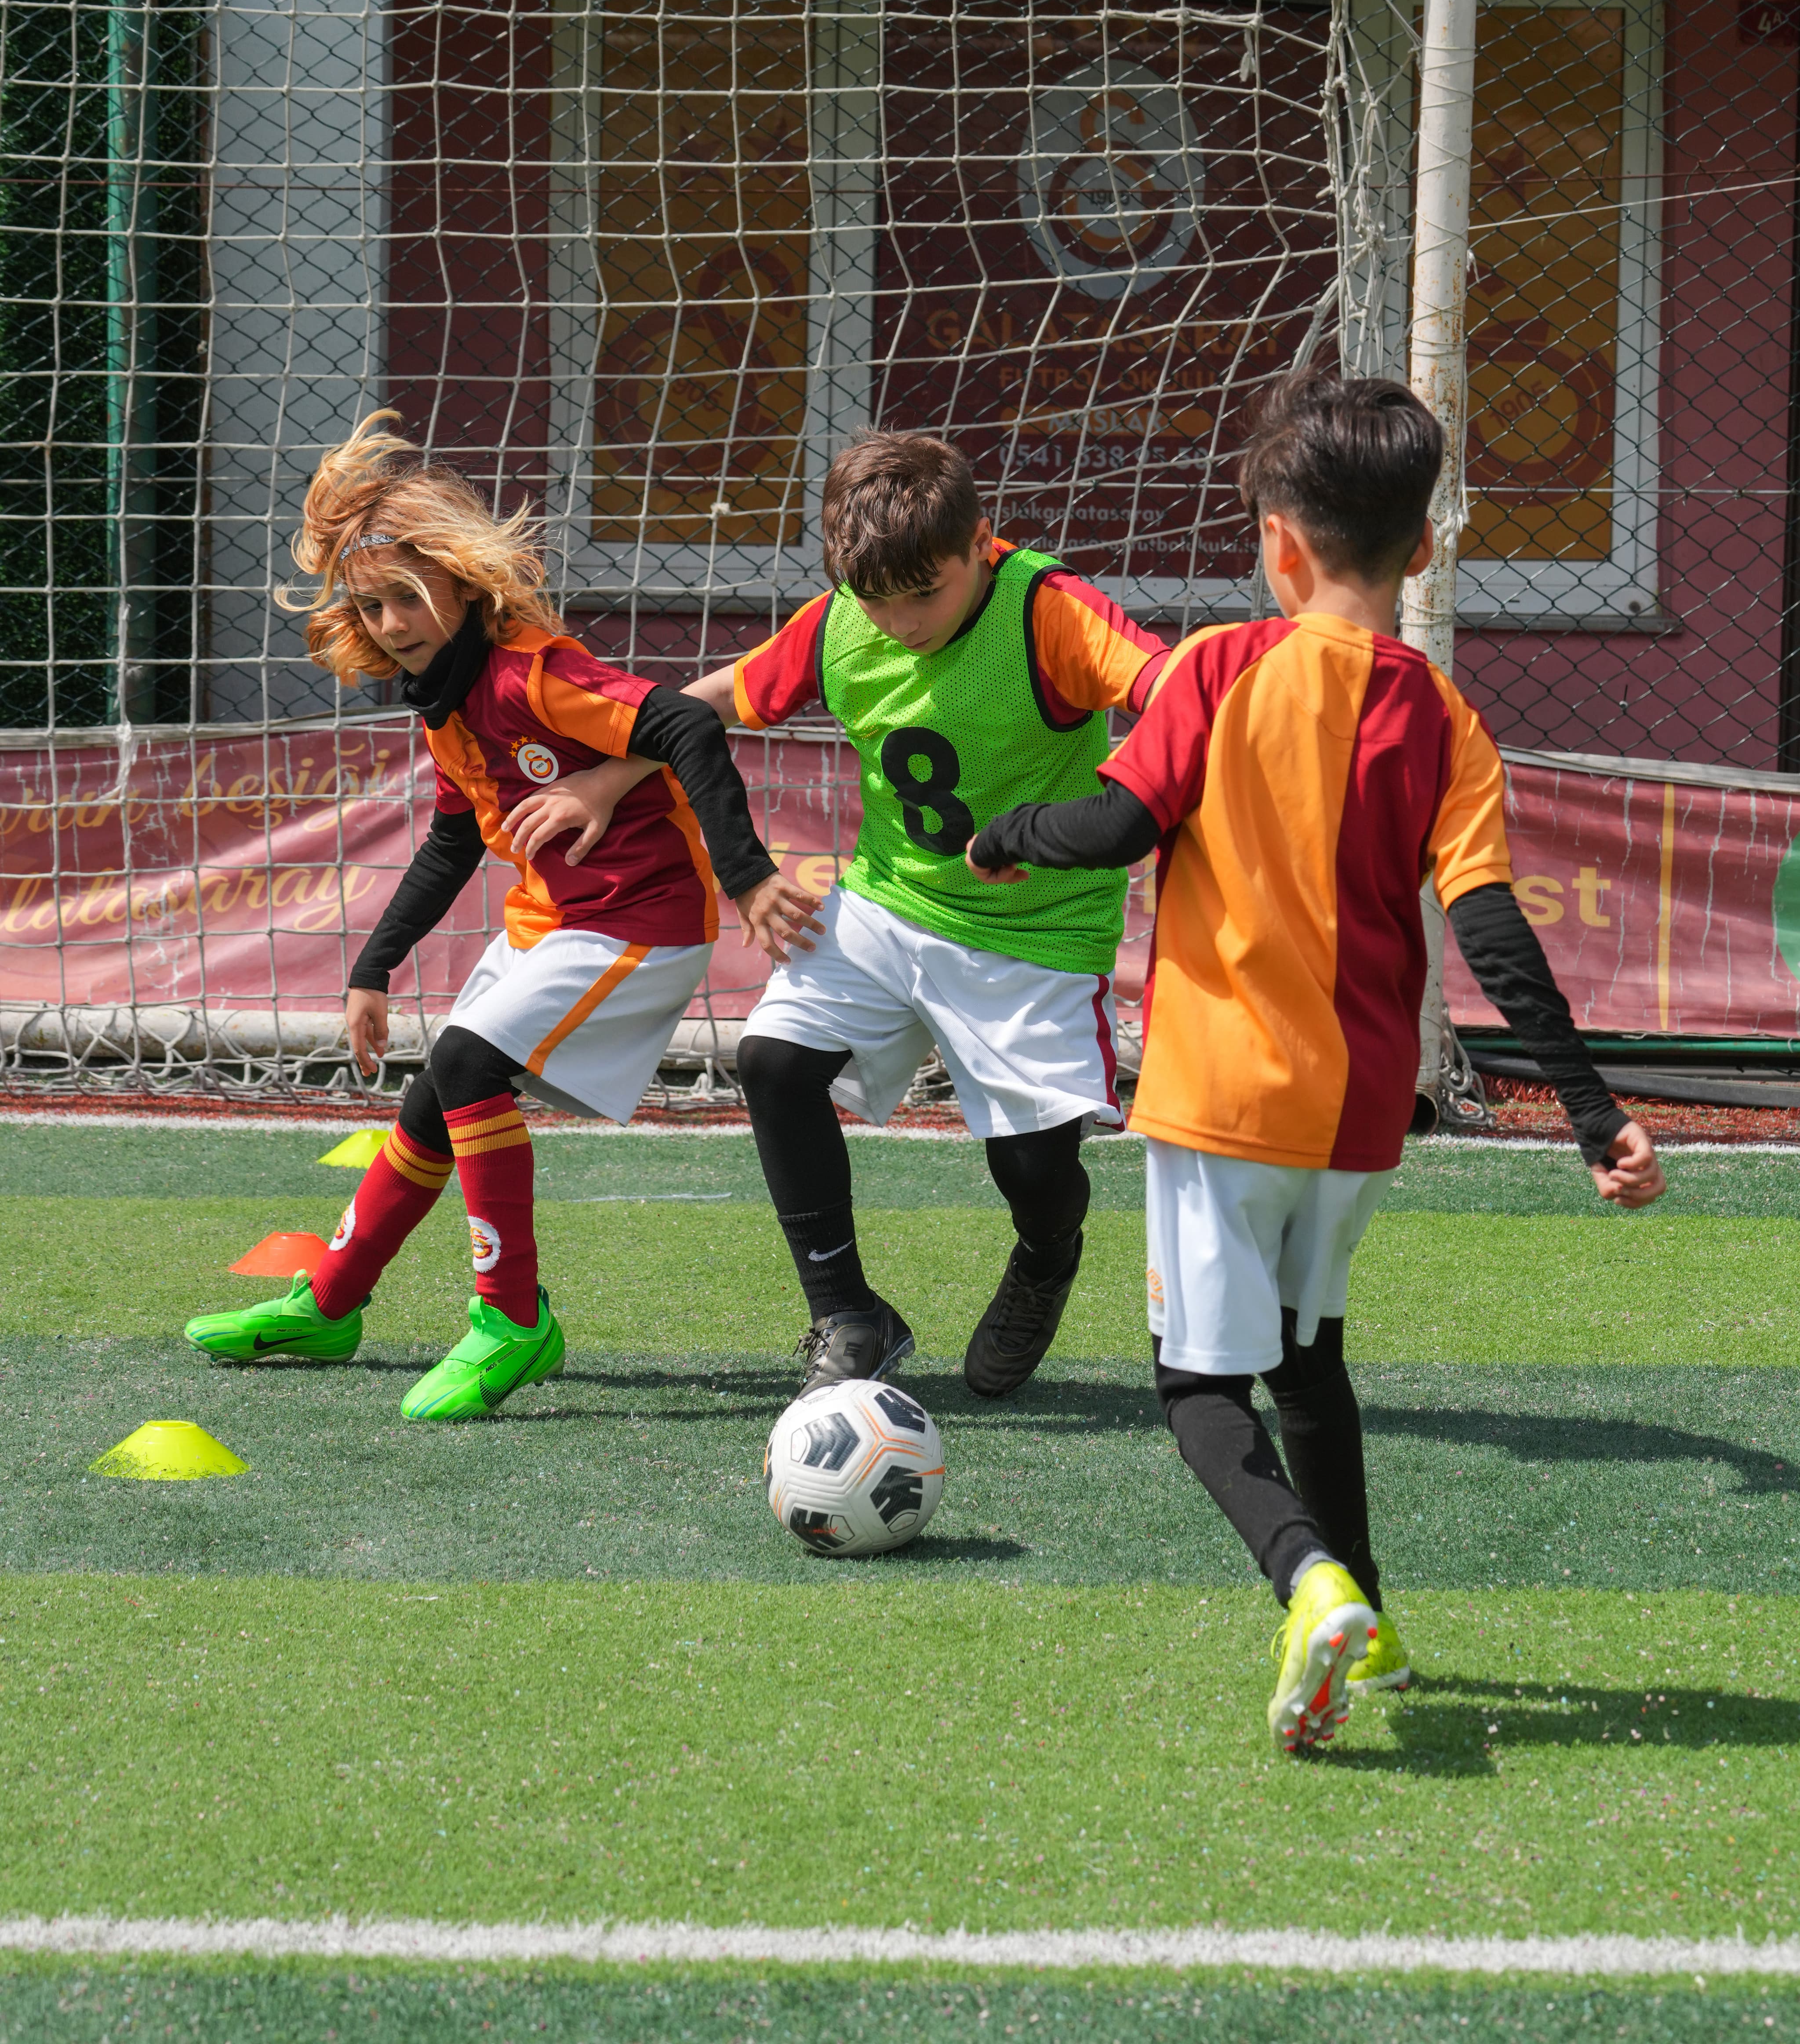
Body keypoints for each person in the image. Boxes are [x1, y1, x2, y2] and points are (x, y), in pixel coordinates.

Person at [967, 372, 1665, 1754]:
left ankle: (1311, 1583)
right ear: (1424, 550)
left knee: (1195, 1387)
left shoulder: (1217, 668)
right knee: (1309, 1360)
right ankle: (1381, 1629)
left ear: (1277, 542)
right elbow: (1494, 938)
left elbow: (1113, 830)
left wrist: (1009, 834)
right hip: (1356, 1114)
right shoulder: (1450, 721)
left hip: (1219, 1097)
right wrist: (1595, 1117)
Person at [185, 413, 818, 1420]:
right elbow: (452, 838)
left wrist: (745, 876)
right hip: (549, 919)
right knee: (436, 1095)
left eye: (405, 596)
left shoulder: (536, 671)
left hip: (637, 920)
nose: (390, 622)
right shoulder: (445, 697)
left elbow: (689, 722)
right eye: (371, 605)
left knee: (471, 1063)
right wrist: (373, 969)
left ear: (462, 580)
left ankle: (511, 1320)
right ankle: (332, 1302)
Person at [600, 429, 1171, 1395]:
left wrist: (1107, 810)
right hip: (886, 904)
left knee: (1031, 1168)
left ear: (980, 544)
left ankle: (1044, 1255)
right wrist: (606, 780)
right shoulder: (837, 624)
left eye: (926, 593)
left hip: (1033, 934)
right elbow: (707, 702)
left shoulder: (1049, 612)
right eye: (876, 598)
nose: (899, 621)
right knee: (771, 1061)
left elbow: (1173, 695)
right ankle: (848, 1315)